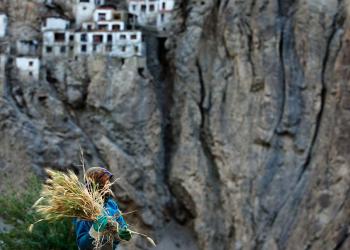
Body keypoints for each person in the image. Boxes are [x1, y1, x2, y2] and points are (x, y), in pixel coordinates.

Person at [73, 167, 132, 250]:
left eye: (108, 181)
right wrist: (94, 231)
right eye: (104, 182)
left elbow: (122, 226)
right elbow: (82, 245)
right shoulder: (84, 208)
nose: (108, 185)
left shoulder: (112, 204)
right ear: (94, 185)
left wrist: (123, 233)